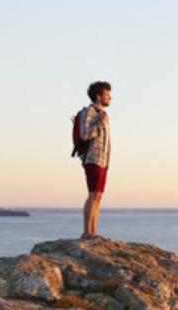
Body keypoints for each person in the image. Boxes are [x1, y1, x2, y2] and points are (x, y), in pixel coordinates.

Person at [78, 81, 112, 238]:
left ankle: (93, 231)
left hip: (102, 160)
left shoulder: (102, 114)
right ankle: (87, 231)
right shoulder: (89, 112)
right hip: (92, 158)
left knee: (98, 195)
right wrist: (100, 123)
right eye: (107, 94)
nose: (110, 98)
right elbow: (84, 134)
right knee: (93, 194)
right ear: (98, 96)